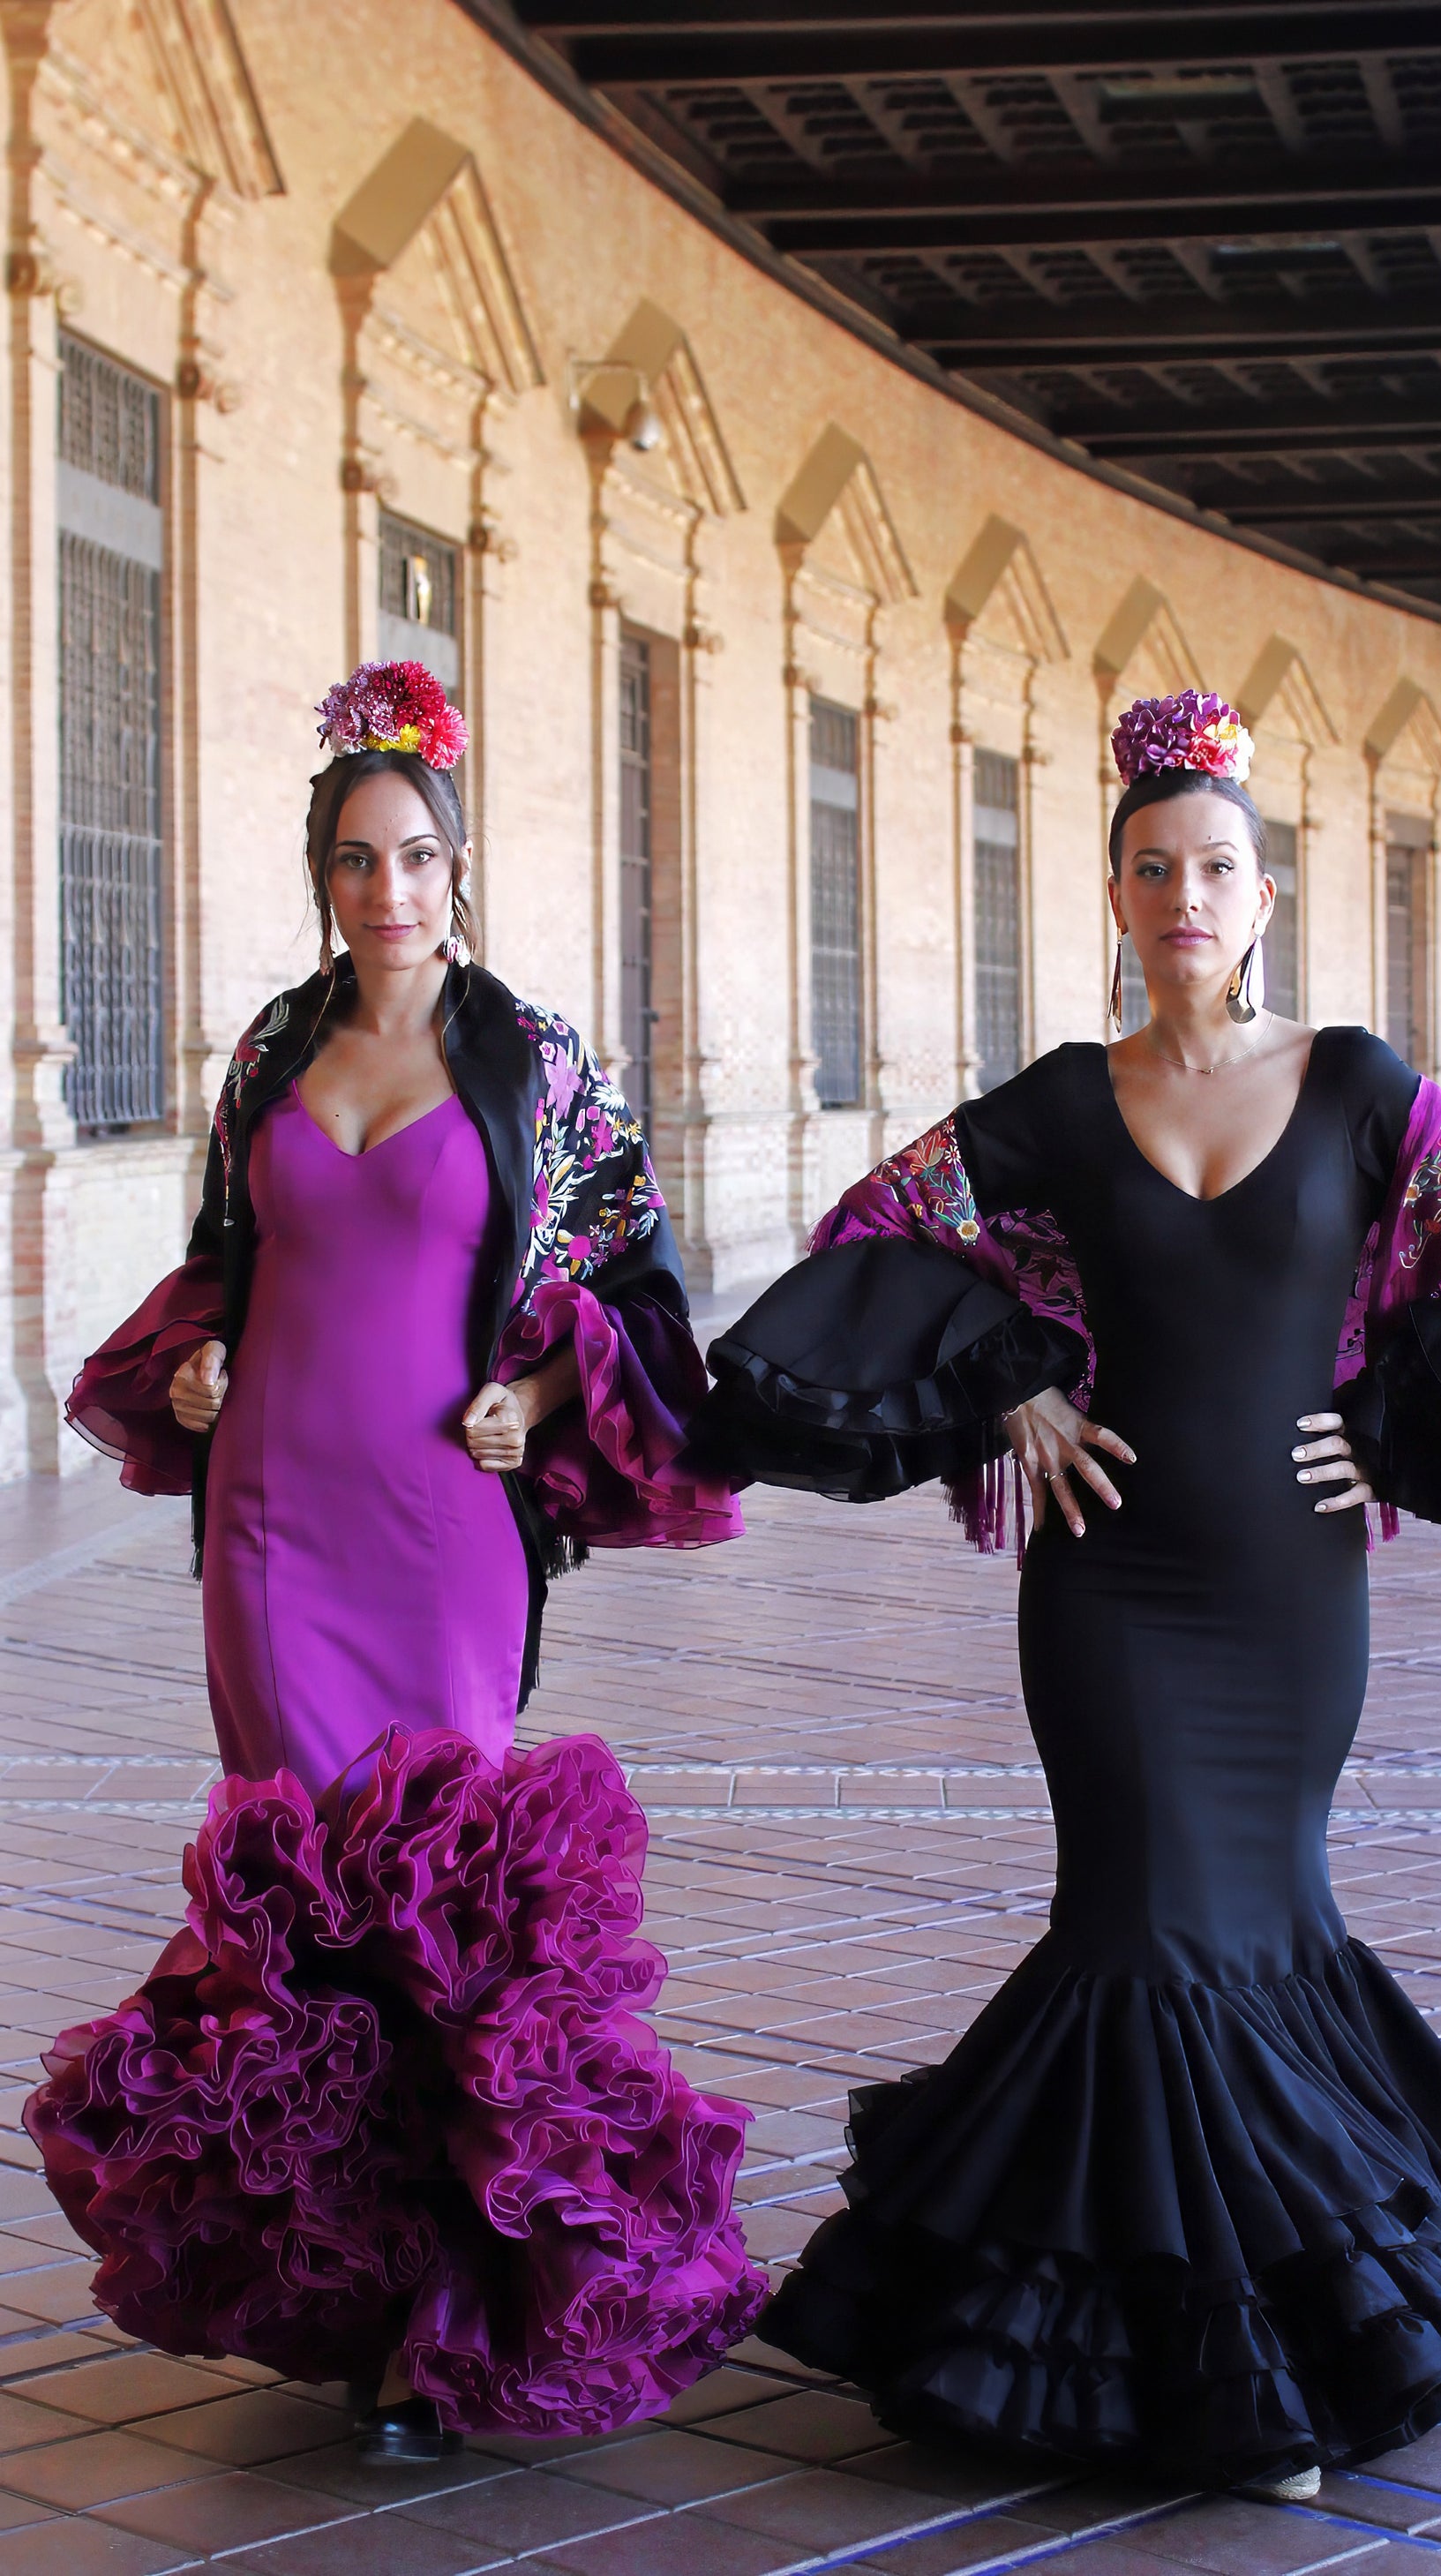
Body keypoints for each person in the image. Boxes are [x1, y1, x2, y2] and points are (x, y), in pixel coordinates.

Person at [694, 688, 1441, 2502]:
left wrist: (1388, 1430)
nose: (1184, 897)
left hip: (1288, 1594)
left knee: (1257, 1920)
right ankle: (1225, 2360)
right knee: (1139, 1920)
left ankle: (1259, 2344)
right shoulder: (1066, 1100)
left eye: (1214, 867)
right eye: (1151, 869)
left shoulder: (1361, 1083)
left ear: (1262, 891)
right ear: (1115, 894)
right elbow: (877, 1225)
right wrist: (1010, 1381)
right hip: (1109, 1584)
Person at [27, 661, 764, 2464]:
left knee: (441, 1907)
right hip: (271, 1517)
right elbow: (224, 1253)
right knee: (303, 1914)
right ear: (322, 874)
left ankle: (467, 2301)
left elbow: (638, 1282)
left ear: (459, 867)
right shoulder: (270, 1055)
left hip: (442, 1531)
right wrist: (193, 1366)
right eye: (356, 861)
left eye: (417, 856)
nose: (389, 891)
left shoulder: (532, 1064)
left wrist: (533, 1383)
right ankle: (355, 2299)